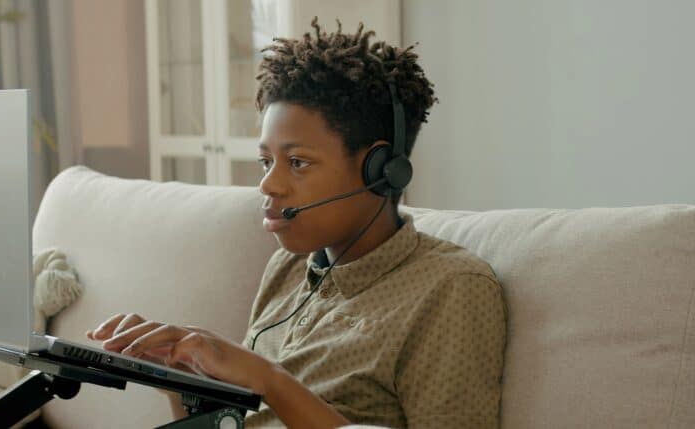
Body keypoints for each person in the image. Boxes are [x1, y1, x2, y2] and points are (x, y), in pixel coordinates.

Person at [86, 18, 507, 428]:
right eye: (265, 162)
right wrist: (180, 379)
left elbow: (271, 390)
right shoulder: (288, 269)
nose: (268, 184)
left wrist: (270, 381)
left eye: (298, 163)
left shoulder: (451, 288)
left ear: (381, 169)